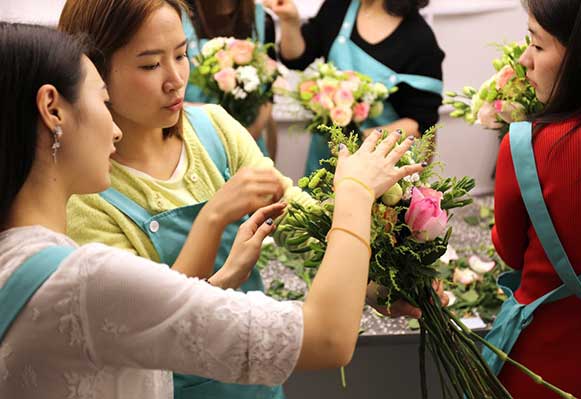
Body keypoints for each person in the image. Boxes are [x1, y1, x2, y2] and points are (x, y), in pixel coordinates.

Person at [0, 21, 425, 399]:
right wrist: (353, 190)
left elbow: (291, 218)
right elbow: (327, 339)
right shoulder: (88, 271)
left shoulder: (18, 255)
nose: (175, 79)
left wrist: (369, 285)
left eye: (183, 55)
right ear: (52, 108)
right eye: (102, 97)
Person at [482, 1, 581, 397]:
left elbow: (510, 252)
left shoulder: (527, 147)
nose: (525, 60)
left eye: (537, 44)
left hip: (542, 373)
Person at [265, 0, 444, 175]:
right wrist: (289, 21)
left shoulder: (420, 39)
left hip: (380, 166)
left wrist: (357, 142)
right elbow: (297, 59)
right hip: (327, 154)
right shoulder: (338, 6)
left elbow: (420, 122)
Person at [183, 0, 278, 158]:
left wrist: (245, 139)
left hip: (250, 143)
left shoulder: (262, 18)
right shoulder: (179, 15)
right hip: (194, 144)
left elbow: (268, 92)